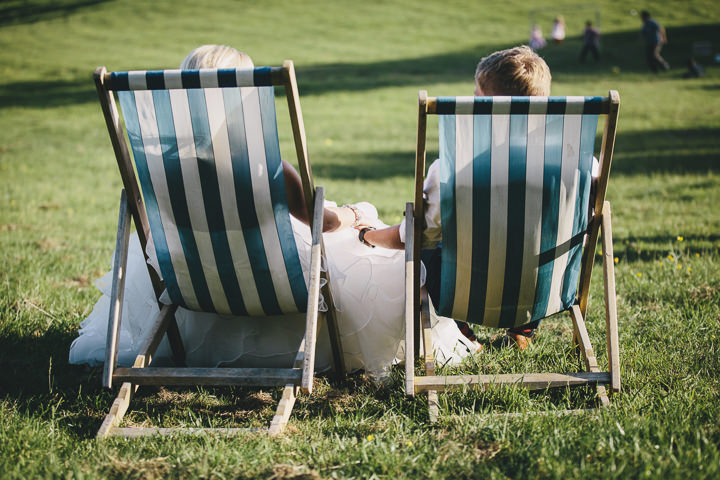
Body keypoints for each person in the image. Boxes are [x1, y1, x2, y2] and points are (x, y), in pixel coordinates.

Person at [69, 45, 474, 381]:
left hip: (193, 281)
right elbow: (325, 223)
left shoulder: (161, 169)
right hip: (275, 286)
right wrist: (353, 215)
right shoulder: (266, 167)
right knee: (369, 253)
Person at [357, 46, 554, 351]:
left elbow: (417, 238)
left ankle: (464, 334)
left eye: (477, 94)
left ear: (487, 107)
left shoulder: (452, 170)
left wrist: (367, 234)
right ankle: (522, 331)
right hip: (543, 291)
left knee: (425, 256)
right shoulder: (580, 165)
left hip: (467, 295)